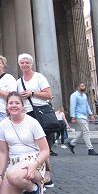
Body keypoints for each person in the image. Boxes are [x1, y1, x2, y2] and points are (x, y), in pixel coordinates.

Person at [0, 92, 49, 194]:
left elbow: (45, 150)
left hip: (33, 162)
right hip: (14, 164)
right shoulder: (3, 125)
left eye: (17, 103)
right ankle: (25, 186)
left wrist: (34, 165)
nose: (14, 105)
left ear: (23, 106)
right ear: (7, 106)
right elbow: (3, 152)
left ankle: (35, 189)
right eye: (11, 103)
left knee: (13, 175)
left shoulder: (32, 122)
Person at [16, 53, 56, 185]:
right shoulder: (18, 82)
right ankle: (37, 174)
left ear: (31, 64)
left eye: (27, 62)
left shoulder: (39, 77)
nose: (24, 65)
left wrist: (32, 93)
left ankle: (47, 174)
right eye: (22, 63)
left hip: (41, 113)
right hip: (28, 115)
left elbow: (49, 95)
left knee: (44, 146)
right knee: (33, 147)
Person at [67, 82, 98, 156]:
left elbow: (87, 105)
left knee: (83, 131)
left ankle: (72, 143)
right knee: (86, 132)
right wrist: (73, 117)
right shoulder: (74, 95)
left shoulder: (84, 95)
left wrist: (91, 114)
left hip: (84, 116)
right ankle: (90, 149)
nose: (84, 87)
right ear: (78, 87)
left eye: (84, 86)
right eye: (82, 86)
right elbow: (72, 106)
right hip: (79, 116)